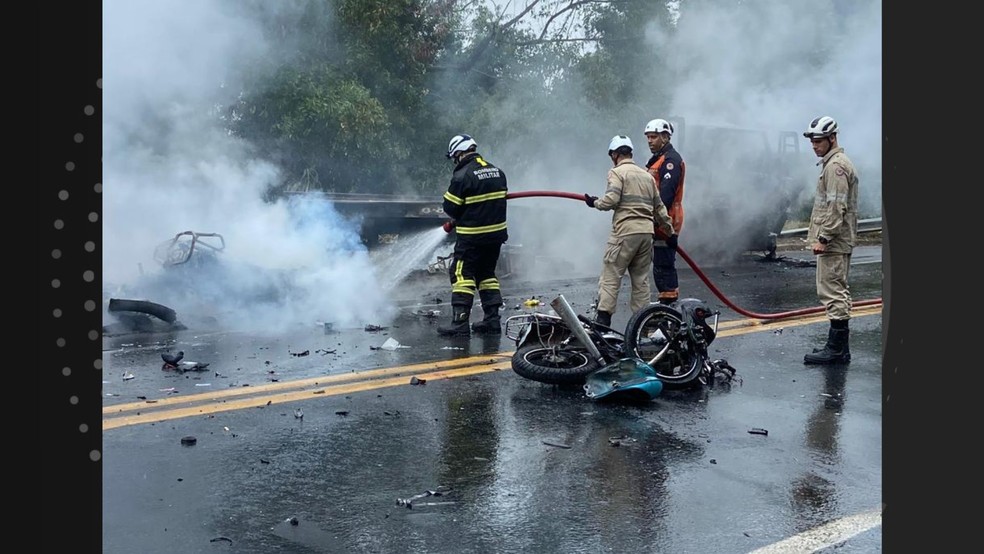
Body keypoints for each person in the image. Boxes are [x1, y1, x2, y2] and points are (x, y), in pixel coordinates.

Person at [584, 135, 675, 328]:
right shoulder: (647, 176)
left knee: (611, 275)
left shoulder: (617, 173)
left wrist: (595, 202)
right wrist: (670, 232)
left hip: (625, 233)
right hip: (646, 235)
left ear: (615, 154)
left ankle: (603, 322)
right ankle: (643, 324)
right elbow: (660, 209)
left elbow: (611, 200)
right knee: (641, 281)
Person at [437, 134, 509, 337]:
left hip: (472, 238)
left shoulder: (462, 176)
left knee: (461, 275)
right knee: (486, 275)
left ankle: (460, 323)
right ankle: (492, 320)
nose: (455, 161)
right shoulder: (497, 171)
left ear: (459, 153)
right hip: (495, 237)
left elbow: (450, 207)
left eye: (454, 157)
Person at [801, 116, 859, 365]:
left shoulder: (836, 167)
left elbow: (836, 207)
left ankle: (837, 350)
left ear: (832, 138)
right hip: (836, 240)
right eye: (812, 141)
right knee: (833, 290)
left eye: (819, 141)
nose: (814, 146)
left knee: (833, 291)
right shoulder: (833, 164)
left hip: (834, 241)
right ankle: (837, 347)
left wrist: (823, 237)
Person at [643, 118, 685, 304]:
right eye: (648, 137)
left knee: (664, 264)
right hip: (658, 219)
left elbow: (666, 196)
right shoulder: (658, 160)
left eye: (653, 137)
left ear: (665, 137)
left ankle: (669, 307)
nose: (649, 140)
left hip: (667, 219)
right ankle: (666, 304)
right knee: (659, 263)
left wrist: (656, 219)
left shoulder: (670, 161)